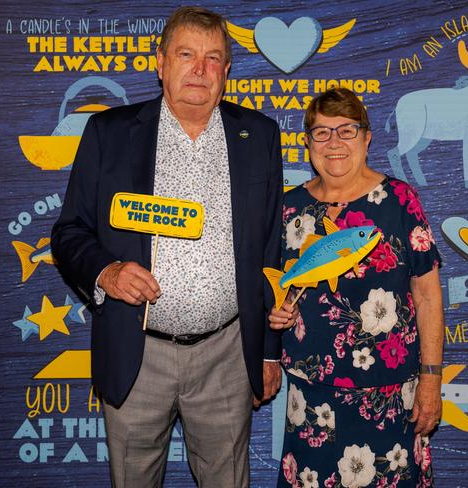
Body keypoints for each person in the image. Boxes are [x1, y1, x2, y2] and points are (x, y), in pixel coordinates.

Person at [51, 7, 283, 487]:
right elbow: (70, 232)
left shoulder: (259, 136)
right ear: (160, 63)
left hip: (227, 351)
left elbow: (270, 251)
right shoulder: (109, 133)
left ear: (226, 71)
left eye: (213, 57)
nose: (200, 69)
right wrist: (107, 273)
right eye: (186, 54)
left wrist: (268, 351)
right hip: (139, 351)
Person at [269, 88, 444, 487]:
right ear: (307, 143)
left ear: (367, 138)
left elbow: (429, 296)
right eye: (321, 132)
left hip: (389, 393)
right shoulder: (288, 208)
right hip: (312, 396)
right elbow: (278, 291)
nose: (334, 143)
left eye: (346, 131)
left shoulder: (400, 201)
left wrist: (431, 381)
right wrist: (277, 312)